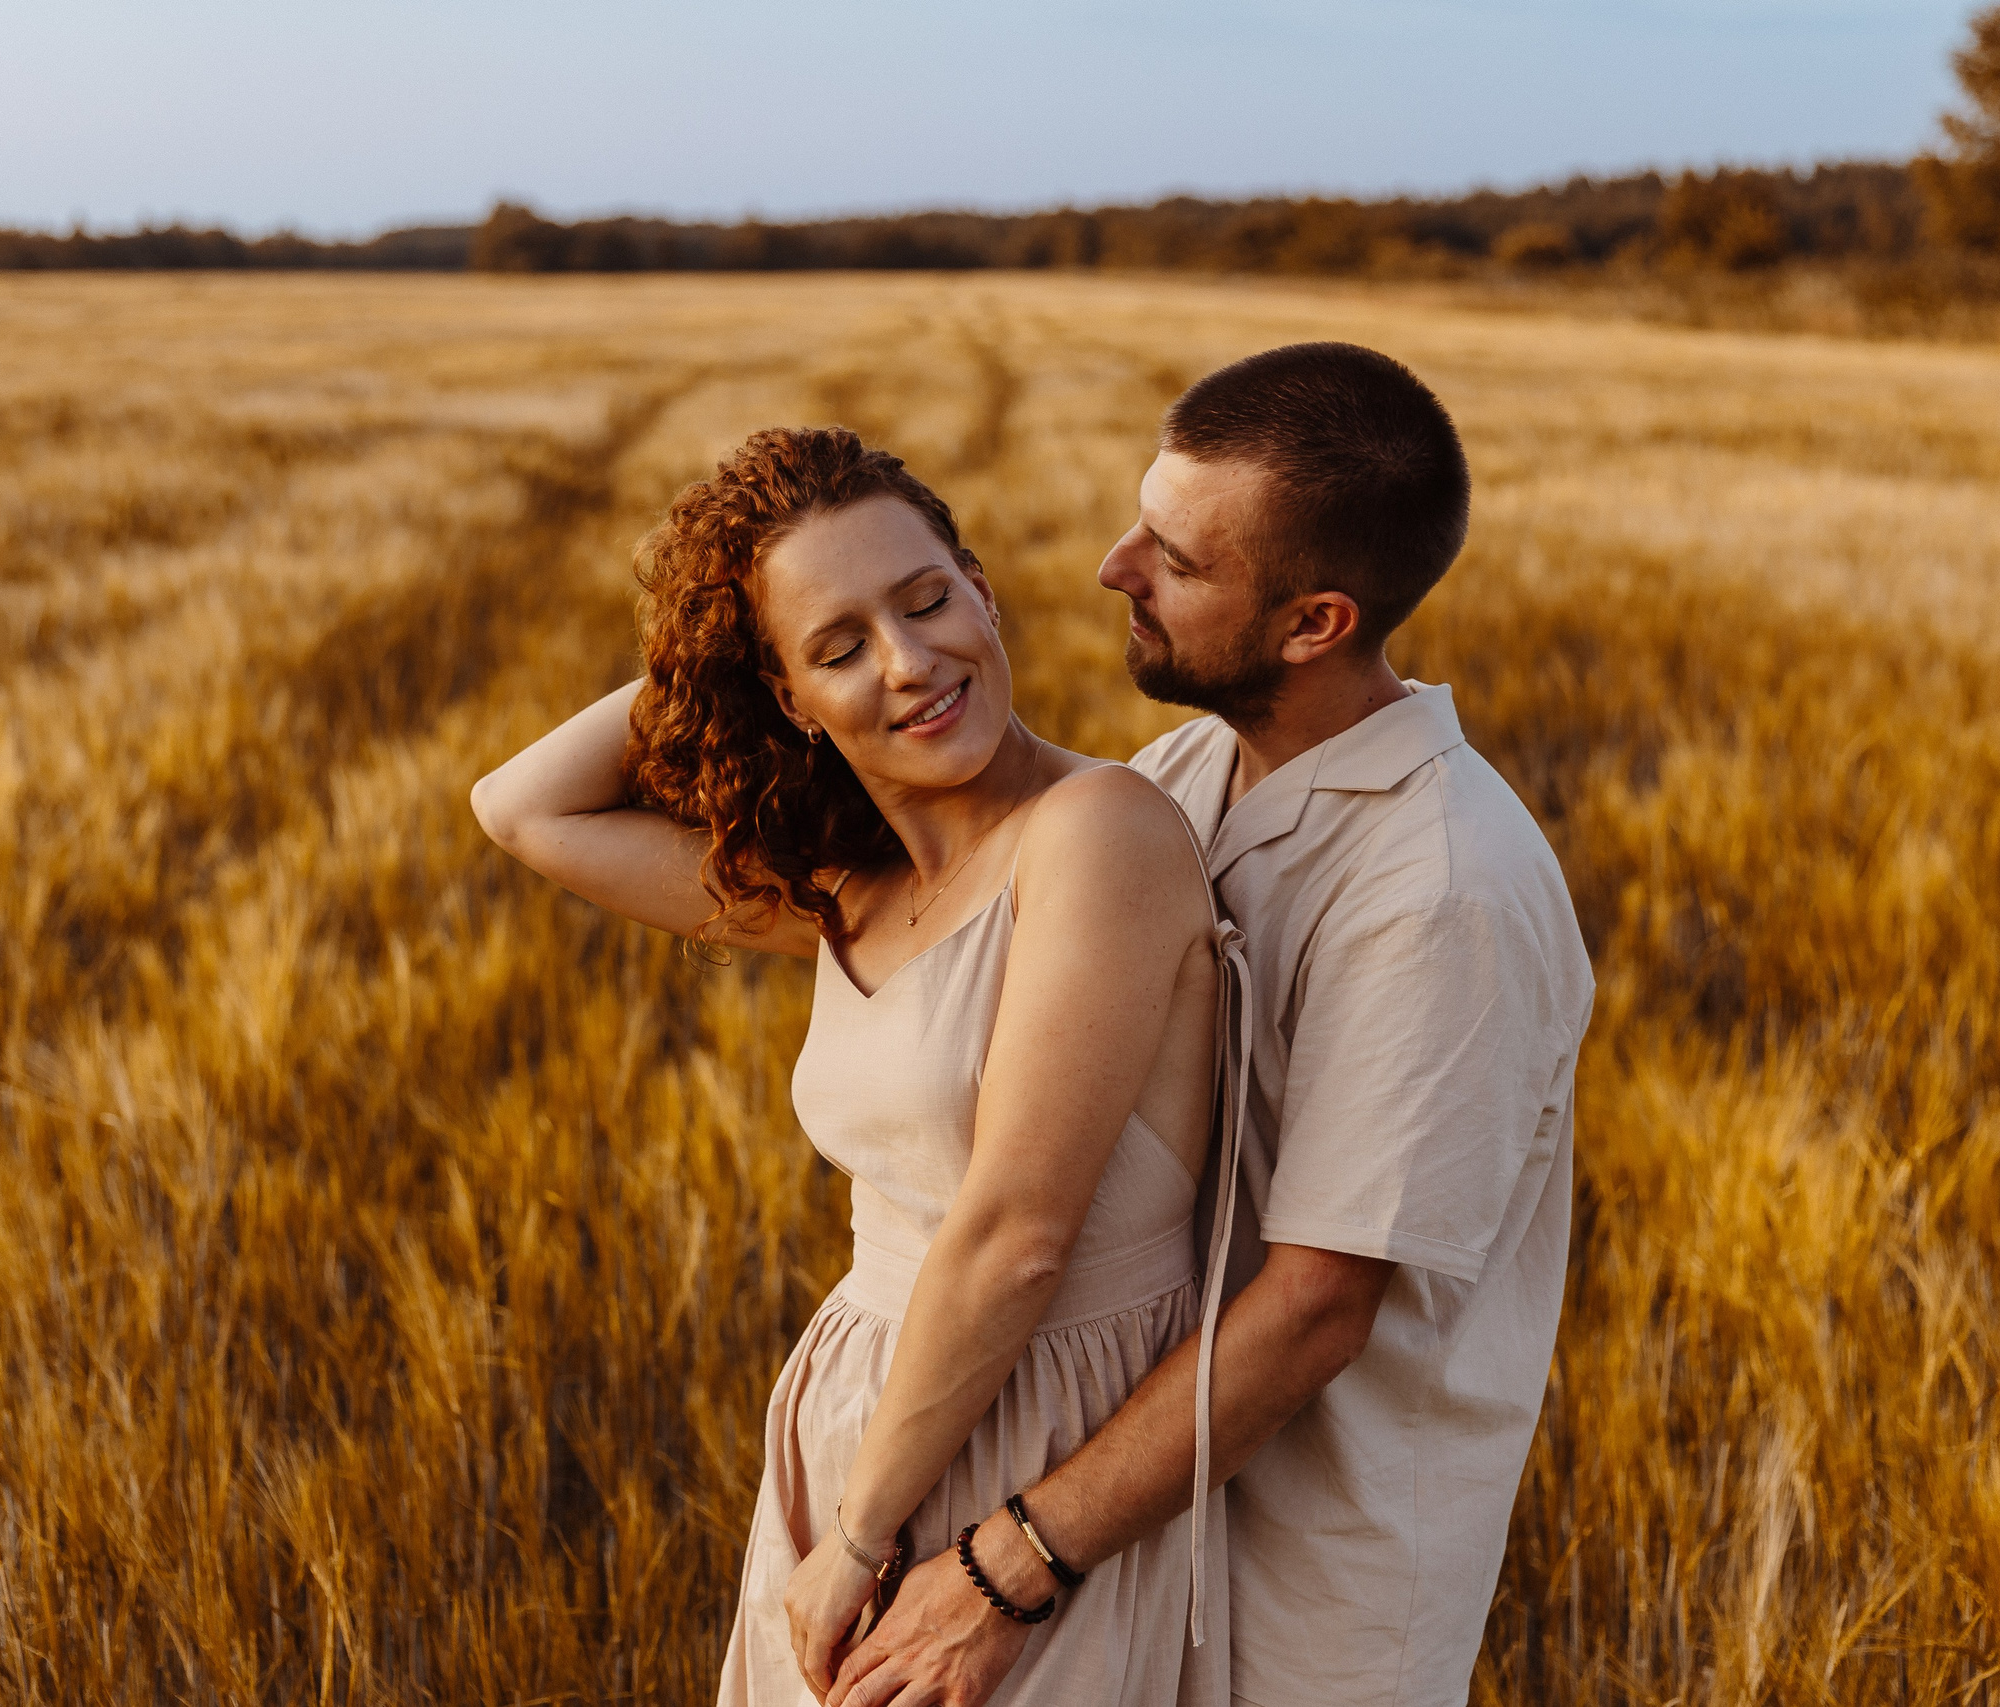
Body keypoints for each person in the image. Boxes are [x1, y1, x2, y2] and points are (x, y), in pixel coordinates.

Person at [828, 344, 1596, 1707]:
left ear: (1313, 623)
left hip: (1308, 1586)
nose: (1113, 567)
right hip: (1128, 1527)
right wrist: (776, 624)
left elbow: (1315, 1306)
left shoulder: (1441, 887)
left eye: (1175, 559)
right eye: (1141, 521)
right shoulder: (1181, 773)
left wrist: (1005, 1567)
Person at [470, 427, 1236, 1705]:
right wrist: (716, 654)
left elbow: (1017, 1235)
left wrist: (862, 1539)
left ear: (982, 592)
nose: (908, 661)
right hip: (853, 1433)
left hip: (1035, 1450)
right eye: (838, 649)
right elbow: (521, 808)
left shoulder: (1095, 832)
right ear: (787, 697)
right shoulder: (852, 895)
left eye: (928, 600)